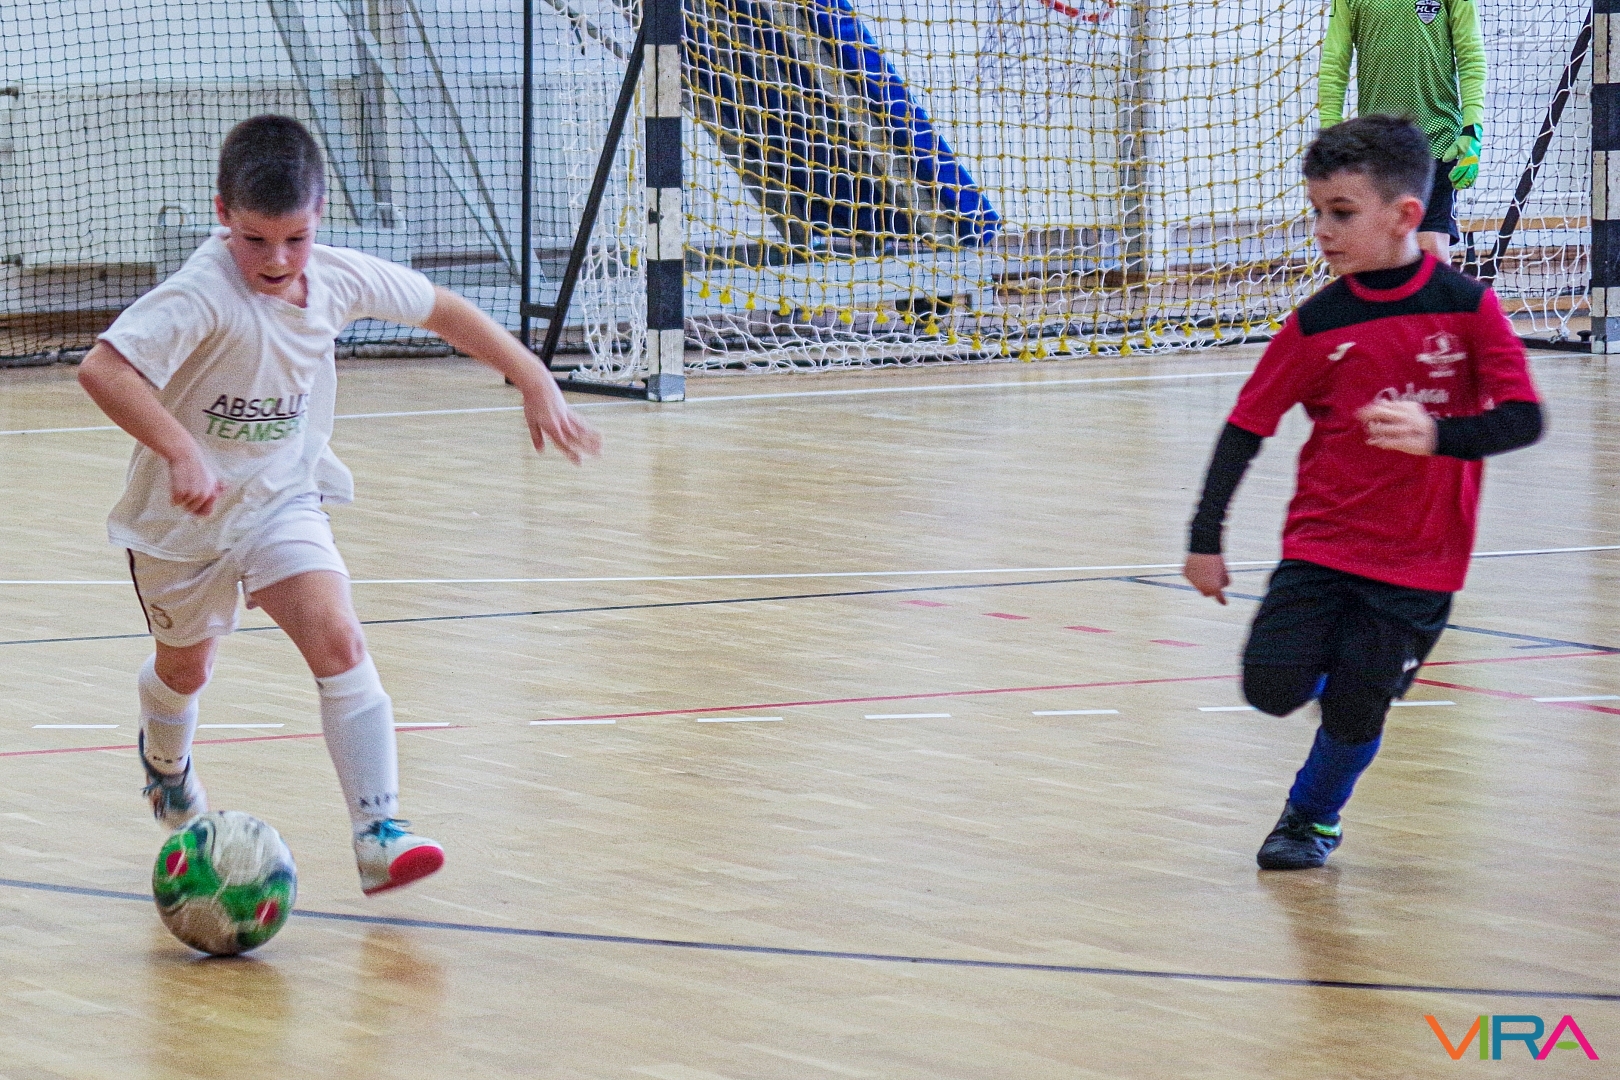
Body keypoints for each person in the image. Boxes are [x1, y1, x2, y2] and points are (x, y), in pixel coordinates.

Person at [77, 115, 601, 895]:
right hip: (182, 524)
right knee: (186, 668)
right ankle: (166, 760)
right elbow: (104, 370)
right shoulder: (200, 293)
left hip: (281, 499)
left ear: (319, 215)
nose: (277, 260)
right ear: (223, 215)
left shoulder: (339, 278)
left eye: (296, 238)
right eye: (256, 240)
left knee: (340, 640)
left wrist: (532, 375)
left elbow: (441, 308)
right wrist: (182, 450)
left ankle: (379, 832)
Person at [1182, 116, 1541, 870]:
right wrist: (1204, 540)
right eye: (1317, 211)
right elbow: (1246, 427)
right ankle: (1347, 675)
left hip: (1421, 562)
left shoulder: (1467, 309)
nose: (1322, 230)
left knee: (1355, 707)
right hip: (1322, 545)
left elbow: (1523, 418)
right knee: (1270, 688)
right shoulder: (1318, 323)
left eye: (1341, 213)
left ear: (1405, 215)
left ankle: (1311, 819)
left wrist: (1440, 434)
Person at [1318, 0, 1487, 262]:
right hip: (1378, 148)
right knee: (1379, 253)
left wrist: (1472, 129)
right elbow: (1334, 61)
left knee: (1431, 252)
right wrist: (1330, 131)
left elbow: (1471, 55)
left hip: (1438, 143)